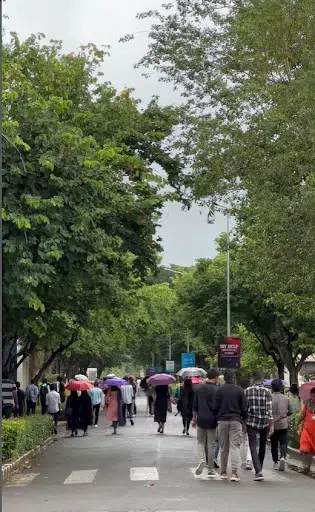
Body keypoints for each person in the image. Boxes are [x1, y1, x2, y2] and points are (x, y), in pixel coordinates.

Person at [214, 369, 247, 482]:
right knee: (235, 446)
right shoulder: (239, 390)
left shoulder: (219, 390)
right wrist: (244, 421)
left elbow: (215, 407)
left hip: (222, 421)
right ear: (233, 378)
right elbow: (244, 408)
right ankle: (234, 473)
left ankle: (223, 472)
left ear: (224, 378)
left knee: (224, 447)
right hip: (235, 420)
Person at [245, 370, 274, 481]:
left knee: (252, 445)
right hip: (264, 421)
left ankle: (258, 470)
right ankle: (259, 468)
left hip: (251, 421)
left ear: (253, 379)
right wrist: (271, 423)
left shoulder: (247, 391)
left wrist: (244, 421)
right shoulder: (267, 392)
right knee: (262, 445)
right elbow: (269, 409)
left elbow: (245, 407)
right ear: (261, 379)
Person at [193, 369, 219, 478]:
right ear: (216, 377)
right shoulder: (217, 390)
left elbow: (195, 406)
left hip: (201, 419)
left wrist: (194, 419)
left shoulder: (199, 389)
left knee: (200, 441)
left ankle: (201, 459)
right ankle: (211, 469)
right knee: (211, 443)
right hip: (213, 420)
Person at [270, 378, 292, 471]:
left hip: (272, 424)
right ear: (281, 387)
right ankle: (282, 457)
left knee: (273, 444)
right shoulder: (286, 398)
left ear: (272, 387)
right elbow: (290, 411)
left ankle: (275, 462)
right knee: (283, 442)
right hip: (283, 423)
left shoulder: (269, 397)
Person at [296, 387, 315, 474]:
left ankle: (308, 467)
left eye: (314, 397)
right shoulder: (307, 404)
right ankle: (305, 467)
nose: (312, 399)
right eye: (311, 396)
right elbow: (302, 415)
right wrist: (297, 423)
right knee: (304, 449)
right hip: (306, 430)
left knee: (310, 451)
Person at [239, 379, 252, 470]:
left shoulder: (239, 395)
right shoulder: (251, 394)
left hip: (241, 420)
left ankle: (243, 461)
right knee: (249, 441)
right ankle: (248, 461)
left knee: (242, 442)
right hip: (251, 420)